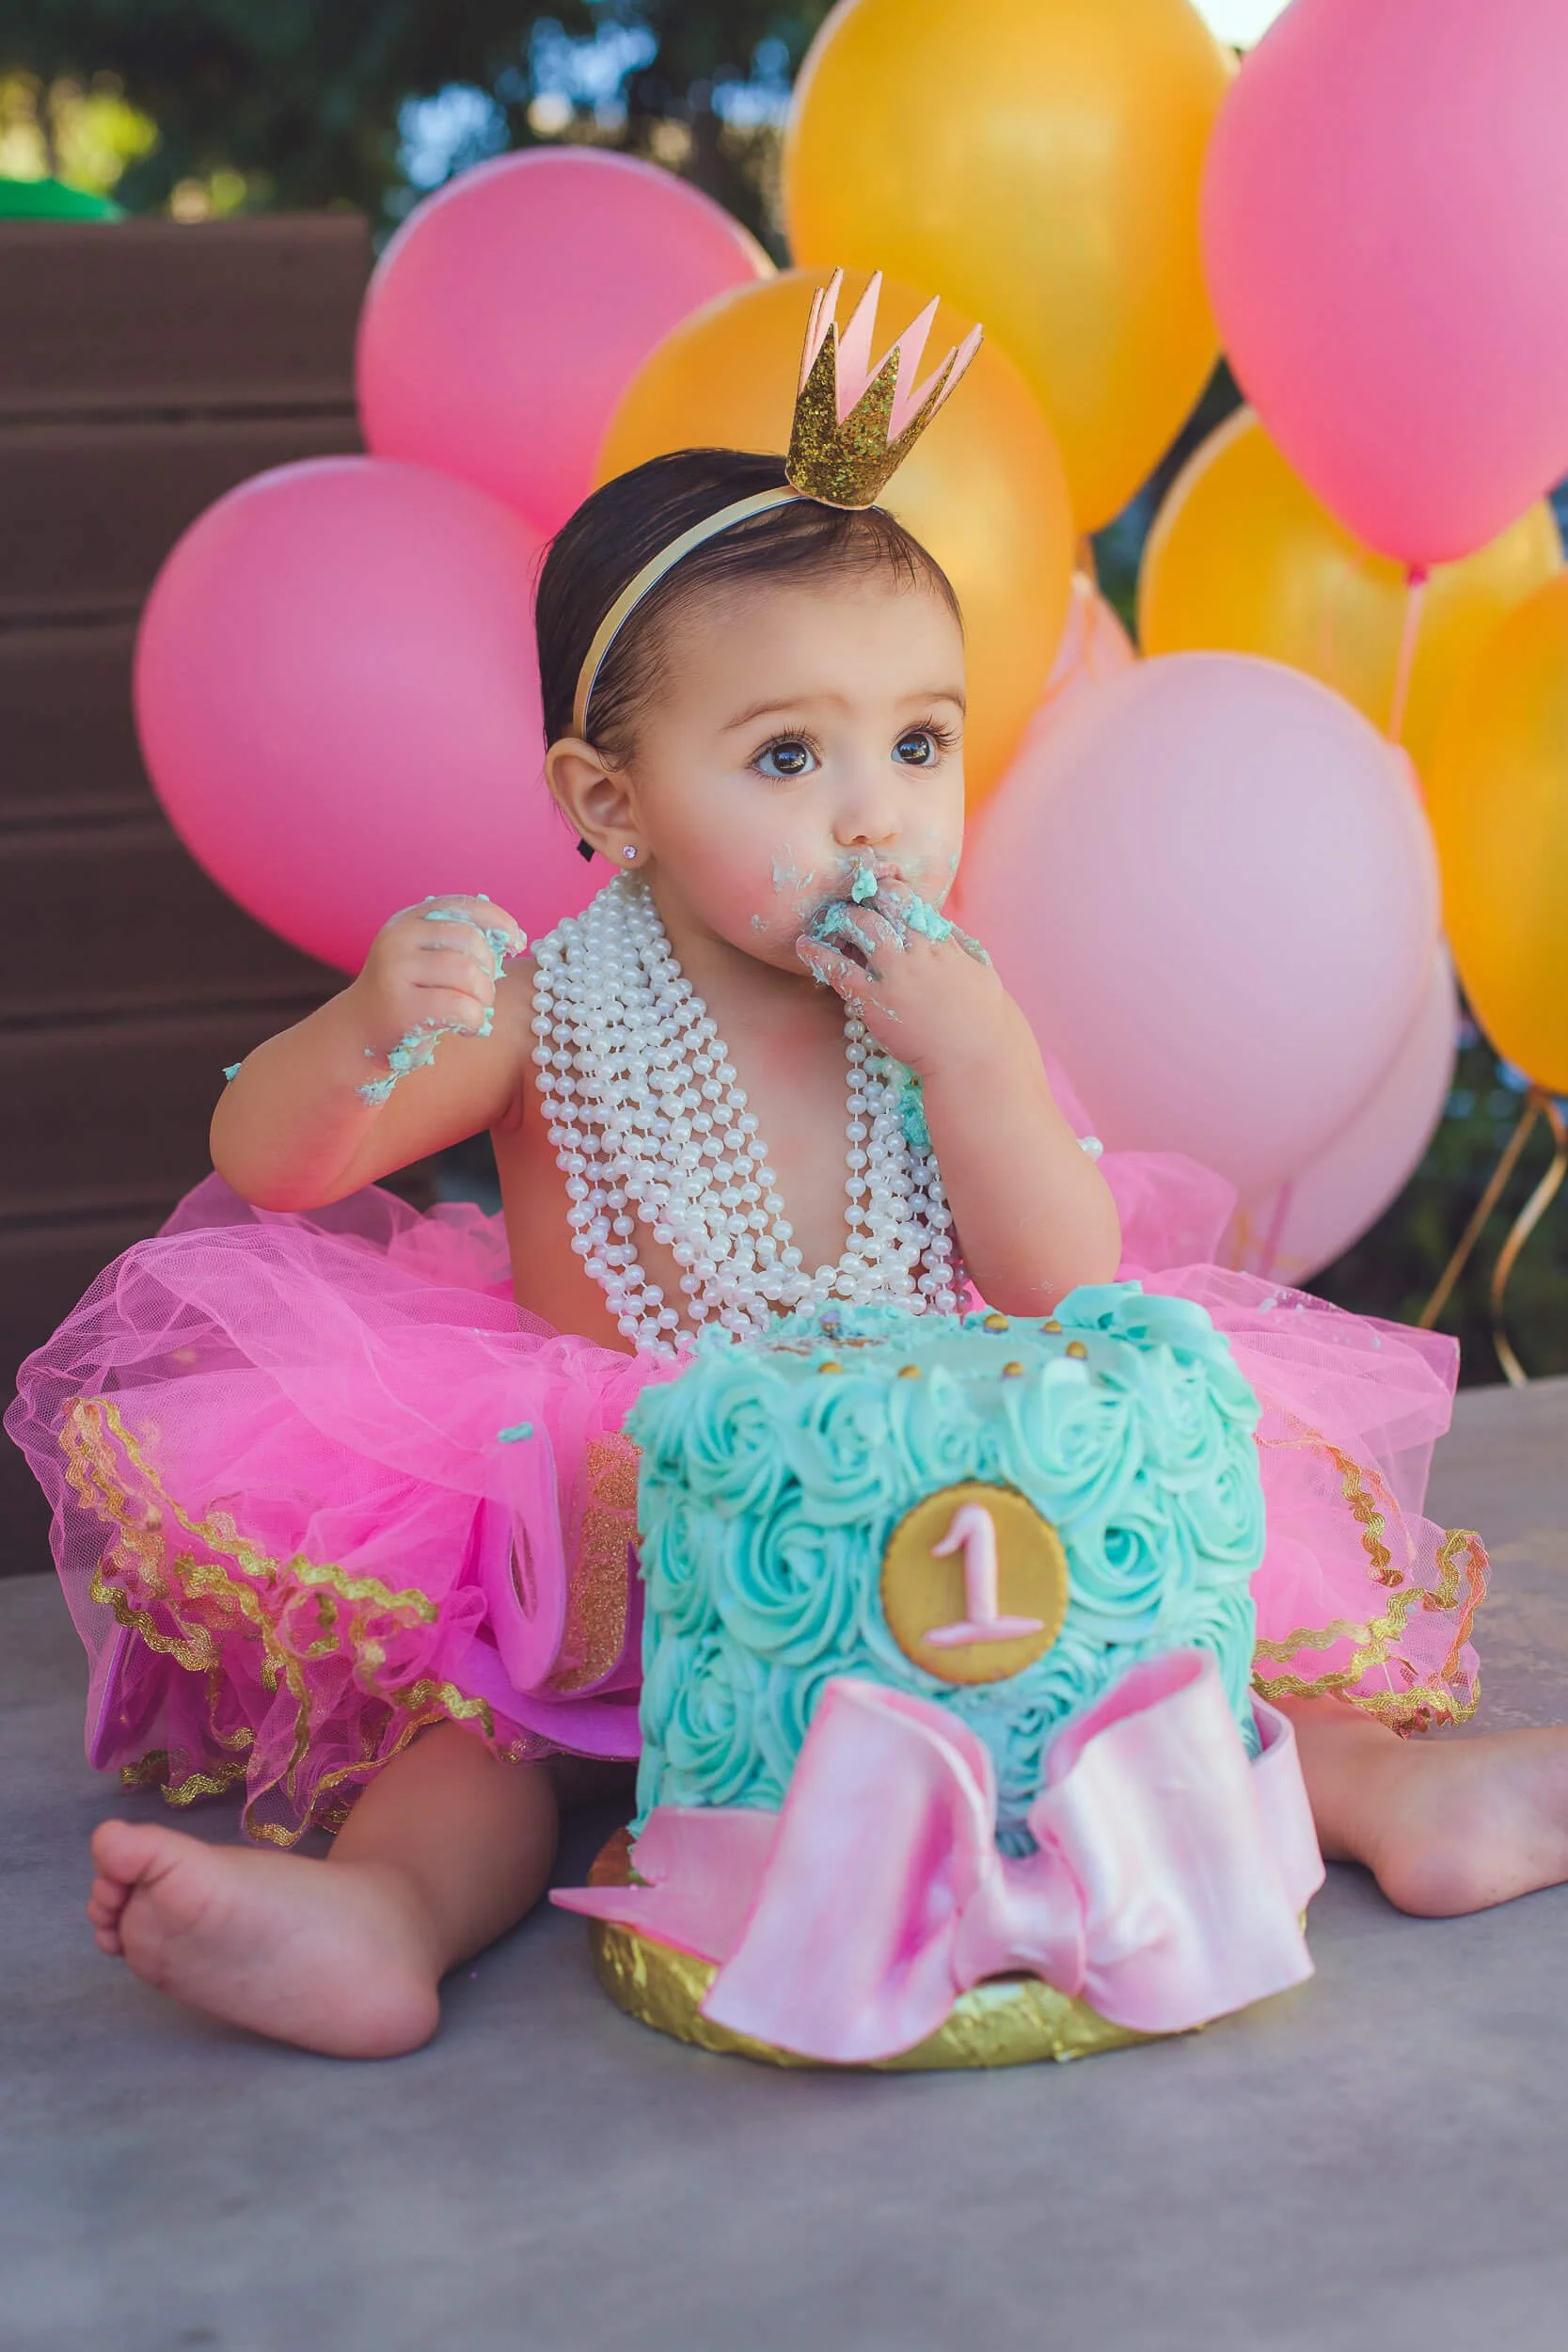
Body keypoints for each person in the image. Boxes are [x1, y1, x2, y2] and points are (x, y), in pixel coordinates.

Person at [10, 303, 1568, 2061]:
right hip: (619, 1515)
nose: (873, 813)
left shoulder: (935, 1001)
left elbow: (1072, 1284)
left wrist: (974, 1060)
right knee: (486, 1743)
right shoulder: (542, 999)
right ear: (610, 798)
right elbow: (271, 1164)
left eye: (918, 744)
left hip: (952, 1492)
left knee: (1185, 1659)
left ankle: (1394, 1807)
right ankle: (387, 1918)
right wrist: (367, 1021)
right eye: (785, 757)